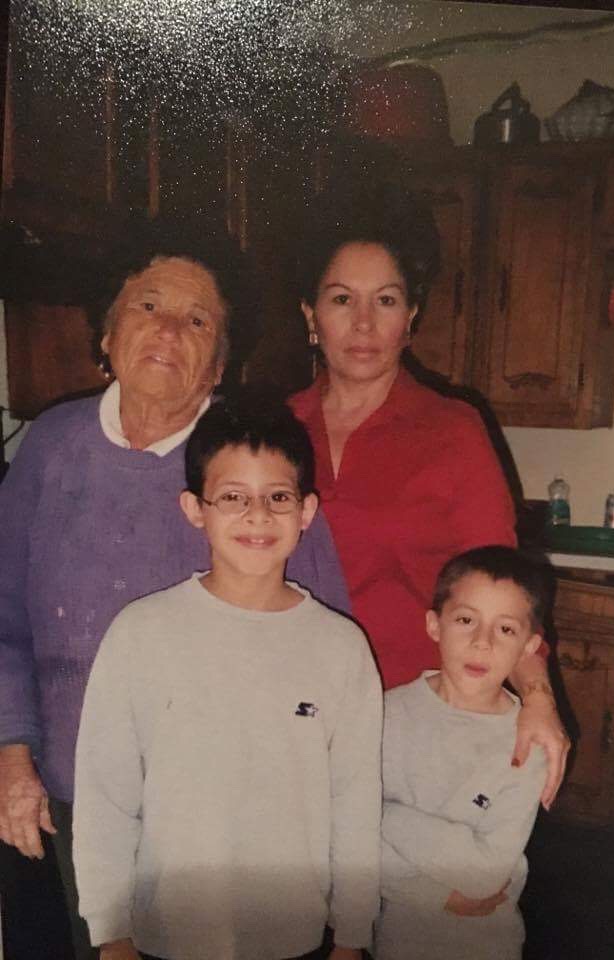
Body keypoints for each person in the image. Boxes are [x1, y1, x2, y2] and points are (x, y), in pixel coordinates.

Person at [0, 222, 348, 960]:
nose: (167, 330)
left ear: (218, 364)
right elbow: (3, 617)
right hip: (69, 795)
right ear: (107, 332)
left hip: (216, 812)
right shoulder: (51, 446)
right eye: (148, 305)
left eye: (197, 320)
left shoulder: (250, 467)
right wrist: (10, 749)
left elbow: (323, 642)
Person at [289, 181, 569, 808]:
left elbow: (504, 585)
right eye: (342, 298)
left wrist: (538, 699)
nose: (364, 322)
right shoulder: (275, 429)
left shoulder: (452, 430)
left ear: (410, 318)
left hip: (416, 719)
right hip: (295, 712)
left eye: (386, 300)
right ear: (310, 315)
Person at [73, 398, 382, 960]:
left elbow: (356, 801)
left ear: (307, 511)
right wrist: (111, 932)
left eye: (278, 497)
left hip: (295, 937)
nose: (257, 516)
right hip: (166, 933)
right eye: (233, 497)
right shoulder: (142, 634)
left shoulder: (341, 648)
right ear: (195, 508)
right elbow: (106, 796)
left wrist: (353, 936)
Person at [374, 545, 552, 960]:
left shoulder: (527, 744)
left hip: (488, 941)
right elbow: (351, 843)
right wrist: (432, 894)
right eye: (466, 620)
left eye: (505, 629)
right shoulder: (385, 714)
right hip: (396, 937)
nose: (481, 642)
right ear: (434, 625)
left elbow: (486, 874)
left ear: (529, 647)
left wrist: (383, 814)